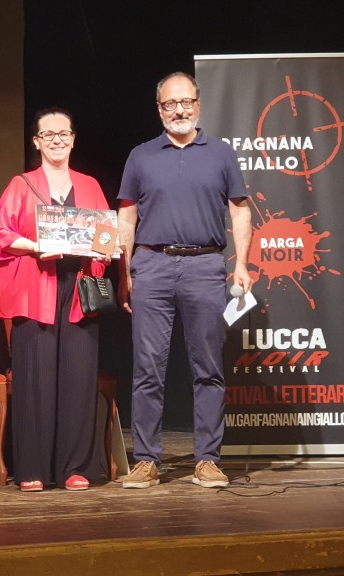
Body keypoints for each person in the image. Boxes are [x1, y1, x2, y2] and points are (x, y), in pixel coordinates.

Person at [116, 72, 253, 489]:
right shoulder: (140, 156)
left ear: (198, 104)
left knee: (208, 368)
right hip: (152, 266)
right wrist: (125, 271)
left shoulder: (221, 153)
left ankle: (207, 459)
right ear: (159, 108)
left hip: (205, 266)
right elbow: (126, 216)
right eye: (170, 103)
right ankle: (146, 460)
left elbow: (240, 210)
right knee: (147, 369)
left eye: (186, 102)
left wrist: (242, 264)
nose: (179, 110)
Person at [0, 108, 110, 491]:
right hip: (35, 289)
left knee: (78, 377)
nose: (57, 140)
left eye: (64, 133)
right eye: (48, 134)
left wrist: (106, 248)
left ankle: (75, 467)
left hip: (79, 290)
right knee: (35, 380)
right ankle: (33, 469)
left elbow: (105, 236)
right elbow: (2, 234)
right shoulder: (21, 185)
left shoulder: (90, 185)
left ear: (73, 139)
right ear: (36, 142)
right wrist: (37, 246)